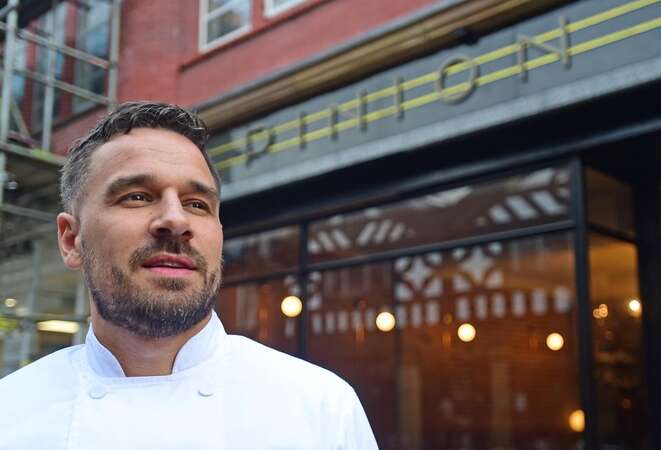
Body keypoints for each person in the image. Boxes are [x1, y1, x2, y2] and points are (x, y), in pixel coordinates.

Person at [0, 102, 379, 450]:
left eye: (197, 204)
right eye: (136, 196)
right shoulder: (11, 412)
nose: (176, 221)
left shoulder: (322, 409)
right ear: (71, 240)